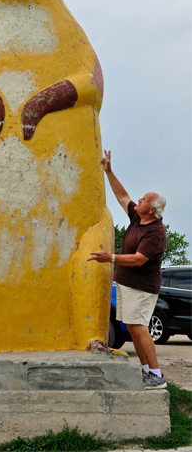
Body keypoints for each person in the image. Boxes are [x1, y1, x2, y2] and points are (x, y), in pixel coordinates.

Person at [88, 150, 167, 389]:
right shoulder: (137, 218)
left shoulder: (156, 232)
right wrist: (108, 171)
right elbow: (122, 196)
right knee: (132, 327)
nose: (138, 201)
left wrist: (109, 258)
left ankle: (157, 375)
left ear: (152, 210)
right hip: (126, 284)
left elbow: (138, 259)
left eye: (144, 200)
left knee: (140, 329)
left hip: (141, 288)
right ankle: (146, 372)